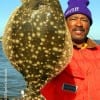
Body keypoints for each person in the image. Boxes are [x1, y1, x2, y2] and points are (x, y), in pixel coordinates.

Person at [40, 0, 100, 100]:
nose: (79, 24)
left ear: (90, 25)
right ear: (65, 23)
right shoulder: (52, 50)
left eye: (84, 19)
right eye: (73, 18)